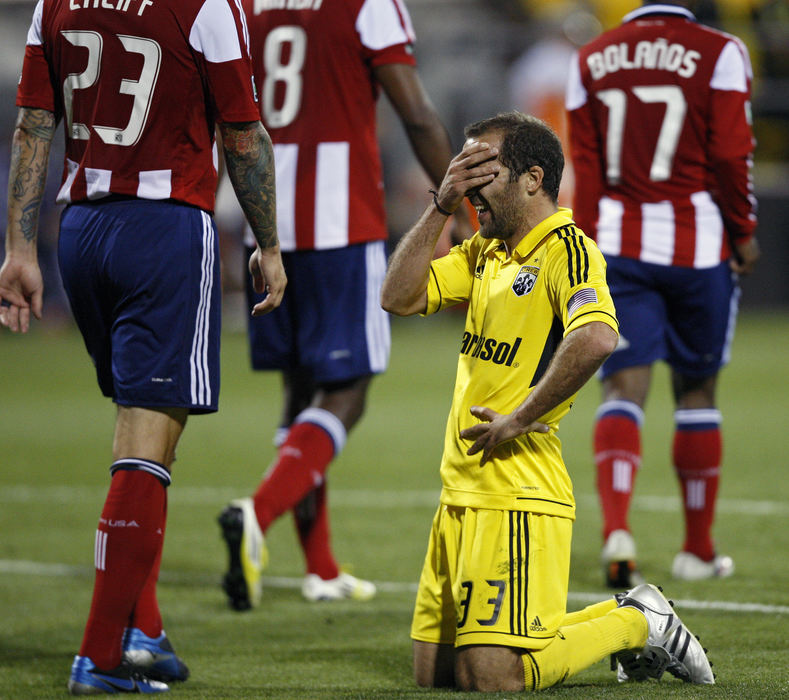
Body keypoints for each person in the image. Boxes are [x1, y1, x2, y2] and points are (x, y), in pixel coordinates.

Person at [1, 0, 285, 693]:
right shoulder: (204, 6)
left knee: (139, 428)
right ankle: (99, 660)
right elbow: (243, 134)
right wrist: (269, 244)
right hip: (163, 230)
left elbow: (35, 125)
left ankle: (144, 632)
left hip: (80, 234)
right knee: (146, 444)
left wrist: (17, 247)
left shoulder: (55, 4)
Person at [381, 110, 714, 691]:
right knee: (434, 676)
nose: (468, 186)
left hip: (518, 492)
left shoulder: (567, 250)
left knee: (493, 678)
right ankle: (634, 613)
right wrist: (441, 204)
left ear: (531, 178)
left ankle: (636, 622)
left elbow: (597, 335)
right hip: (458, 491)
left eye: (481, 170)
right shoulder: (483, 251)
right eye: (463, 169)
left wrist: (520, 418)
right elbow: (398, 296)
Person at [218, 0, 472, 609]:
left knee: (299, 390)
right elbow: (416, 113)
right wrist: (459, 206)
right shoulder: (366, 4)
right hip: (340, 219)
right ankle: (258, 512)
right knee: (348, 391)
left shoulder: (246, 6)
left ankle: (321, 568)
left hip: (268, 220)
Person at [565, 0, 759, 588]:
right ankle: (697, 550)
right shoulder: (721, 51)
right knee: (697, 390)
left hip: (620, 247)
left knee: (624, 385)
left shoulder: (593, 56)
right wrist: (744, 231)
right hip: (698, 247)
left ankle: (617, 531)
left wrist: (588, 248)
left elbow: (588, 166)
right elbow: (730, 154)